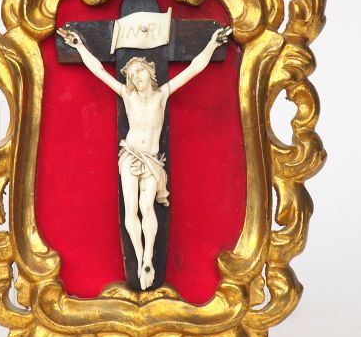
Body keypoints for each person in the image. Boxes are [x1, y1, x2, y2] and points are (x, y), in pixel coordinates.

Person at [57, 24, 232, 290]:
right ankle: (139, 259)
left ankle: (148, 257)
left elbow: (194, 68)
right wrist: (80, 47)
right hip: (129, 156)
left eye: (139, 72)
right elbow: (99, 71)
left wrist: (212, 44)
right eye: (132, 76)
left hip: (151, 160)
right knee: (131, 208)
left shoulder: (162, 95)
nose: (136, 79)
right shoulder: (128, 95)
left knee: (147, 206)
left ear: (149, 72)